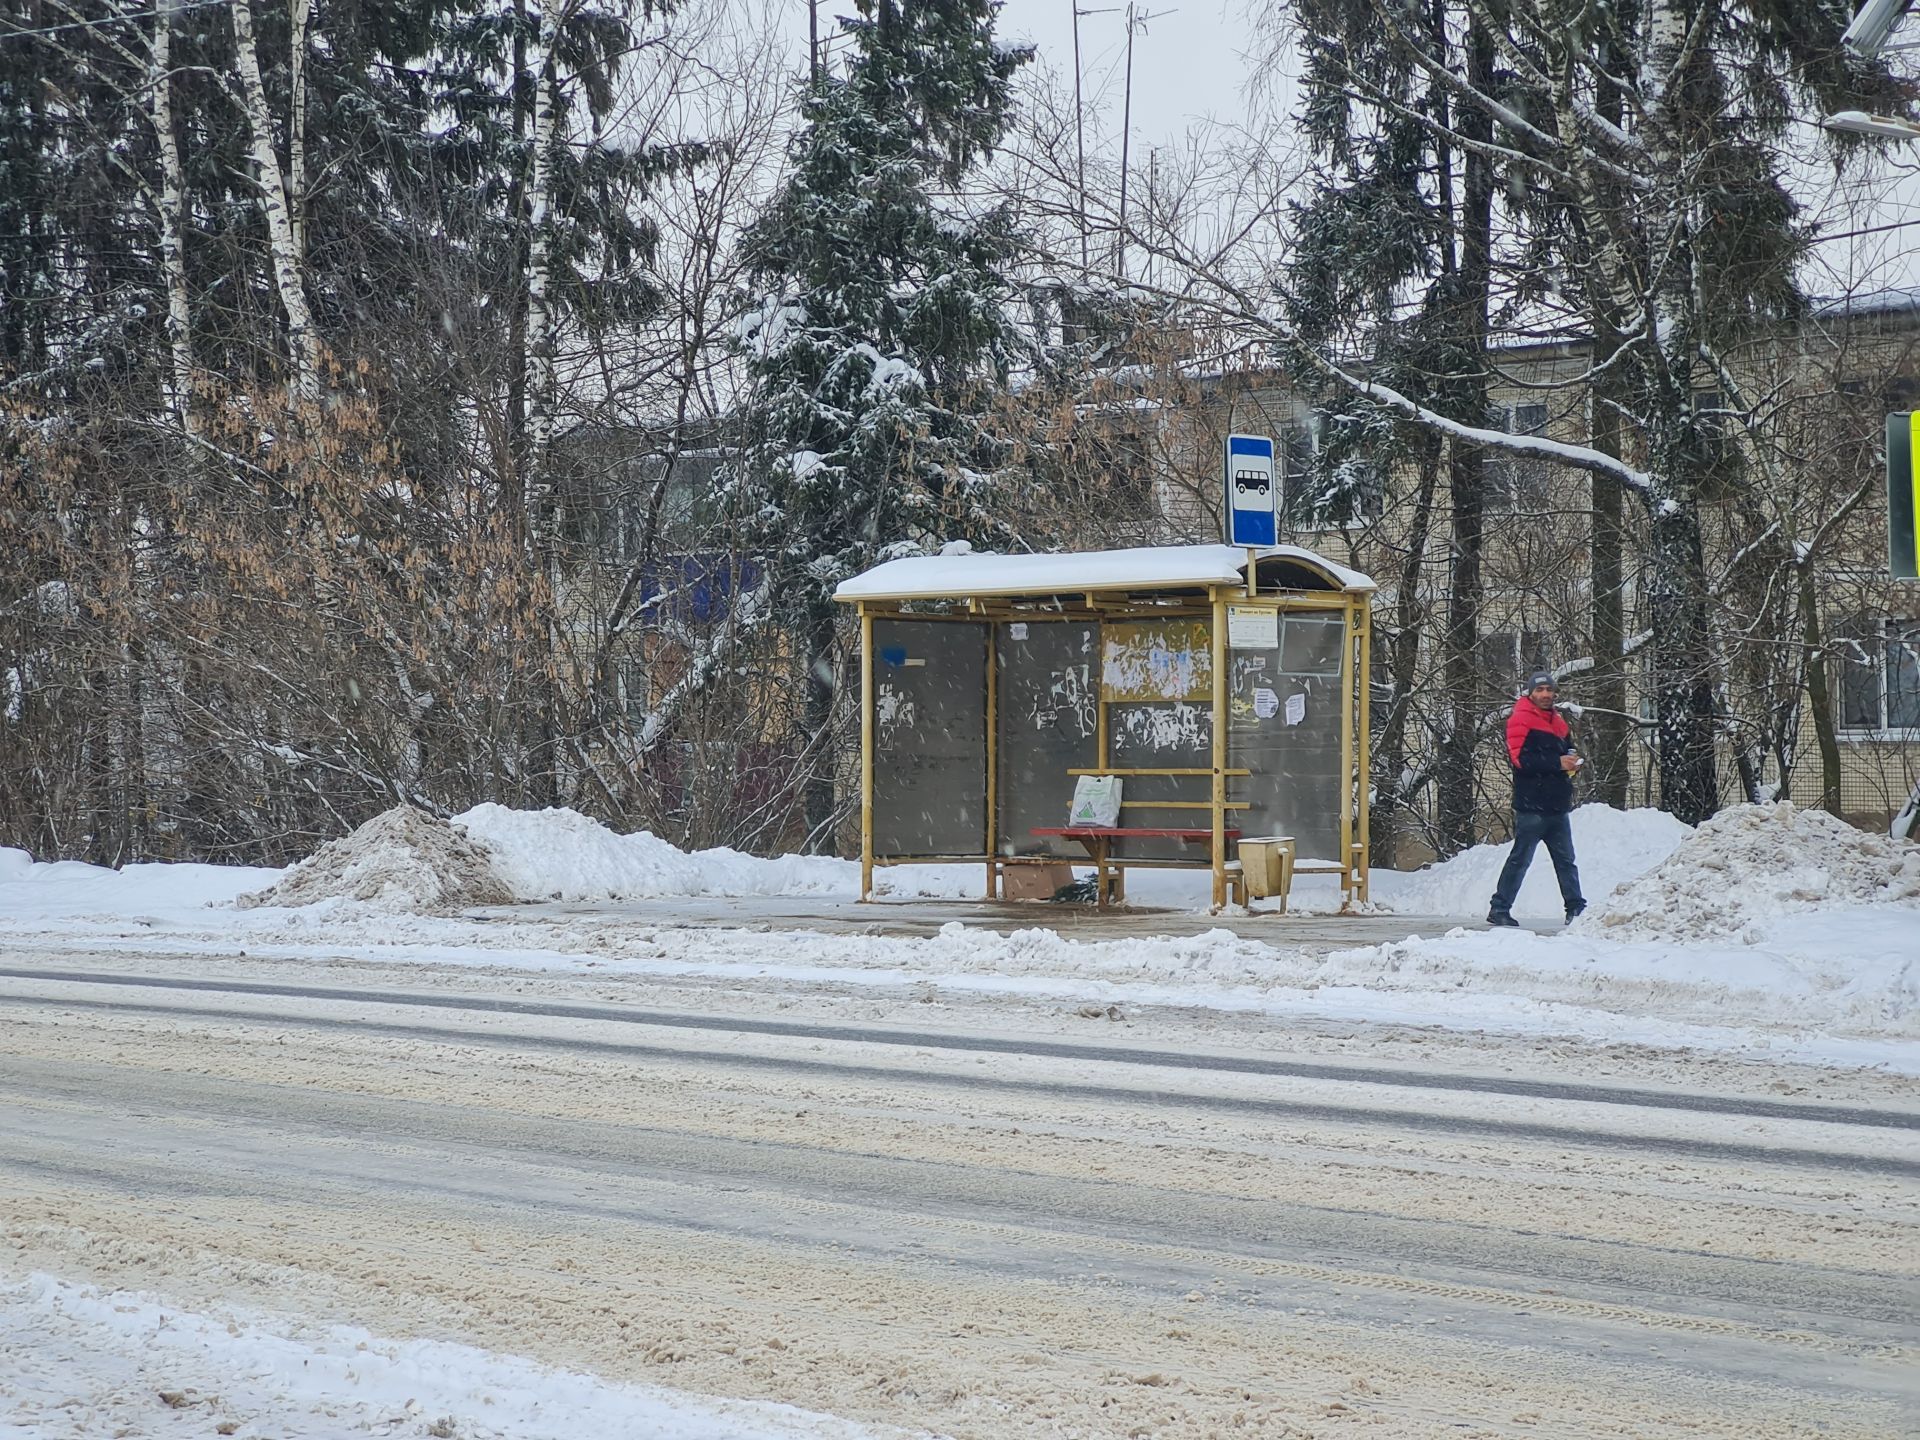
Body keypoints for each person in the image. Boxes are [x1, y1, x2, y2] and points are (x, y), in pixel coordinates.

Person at [1487, 671, 1586, 927]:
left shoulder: (1558, 722)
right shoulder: (1520, 719)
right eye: (1540, 690)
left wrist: (1572, 760)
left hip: (1557, 804)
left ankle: (1576, 909)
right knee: (1520, 859)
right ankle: (1499, 908)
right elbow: (1520, 759)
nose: (1545, 695)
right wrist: (1557, 762)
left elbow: (1568, 749)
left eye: (1549, 690)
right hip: (1532, 805)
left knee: (1566, 861)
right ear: (1530, 693)